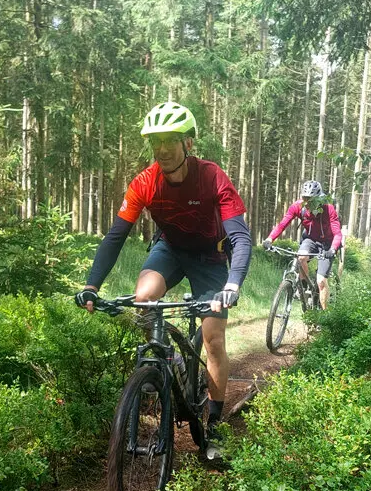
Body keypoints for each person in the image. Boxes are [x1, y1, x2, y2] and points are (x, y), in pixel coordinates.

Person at [76, 100, 252, 454]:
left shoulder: (212, 176)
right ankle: (163, 361)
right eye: (156, 142)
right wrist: (92, 285)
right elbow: (115, 237)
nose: (163, 149)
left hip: (210, 257)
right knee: (144, 299)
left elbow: (240, 237)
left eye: (171, 140)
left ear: (188, 143)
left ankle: (214, 426)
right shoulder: (145, 182)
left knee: (213, 337)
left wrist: (232, 285)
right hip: (170, 249)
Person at [262, 180, 342, 310]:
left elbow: (337, 233)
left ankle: (325, 317)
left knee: (321, 281)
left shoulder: (328, 209)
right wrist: (270, 239)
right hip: (310, 240)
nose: (308, 202)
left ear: (319, 198)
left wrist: (333, 249)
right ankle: (303, 287)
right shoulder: (298, 207)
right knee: (301, 257)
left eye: (311, 199)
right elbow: (283, 224)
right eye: (305, 199)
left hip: (328, 244)